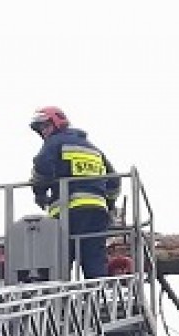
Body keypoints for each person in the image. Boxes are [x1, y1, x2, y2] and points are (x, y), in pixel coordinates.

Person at [29, 106, 120, 278]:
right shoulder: (93, 148)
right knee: (94, 259)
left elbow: (41, 168)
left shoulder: (55, 143)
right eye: (41, 129)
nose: (44, 132)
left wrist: (39, 193)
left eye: (46, 127)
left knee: (60, 259)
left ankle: (59, 300)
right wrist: (110, 204)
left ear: (57, 124)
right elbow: (114, 181)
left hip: (67, 212)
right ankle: (96, 296)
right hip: (96, 213)